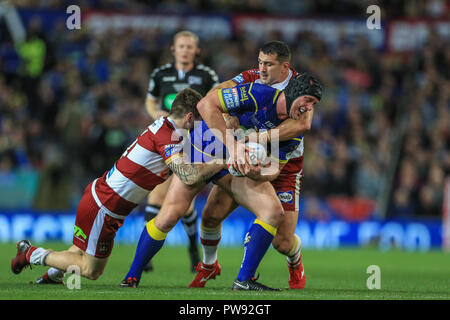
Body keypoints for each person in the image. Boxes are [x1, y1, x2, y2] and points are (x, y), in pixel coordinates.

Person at [119, 72, 322, 291]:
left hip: (233, 166)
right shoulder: (258, 93)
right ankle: (132, 277)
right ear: (294, 93)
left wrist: (253, 171)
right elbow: (207, 103)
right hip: (206, 146)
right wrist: (233, 144)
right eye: (308, 100)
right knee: (169, 216)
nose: (309, 108)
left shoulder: (292, 133)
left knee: (273, 211)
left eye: (314, 104)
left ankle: (243, 280)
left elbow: (273, 171)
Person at [10, 88, 225, 283]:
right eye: (199, 120)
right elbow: (187, 176)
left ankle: (51, 276)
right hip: (104, 205)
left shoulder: (167, 129)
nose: (200, 125)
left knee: (80, 249)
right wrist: (222, 162)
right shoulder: (168, 136)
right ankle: (30, 253)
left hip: (102, 200)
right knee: (91, 270)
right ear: (189, 117)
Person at [190, 41, 312, 289]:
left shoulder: (301, 86)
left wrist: (261, 138)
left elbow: (301, 125)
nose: (262, 69)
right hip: (248, 154)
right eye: (260, 62)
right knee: (211, 214)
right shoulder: (250, 79)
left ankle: (295, 261)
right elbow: (213, 97)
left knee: (283, 243)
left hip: (285, 160)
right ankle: (210, 265)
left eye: (268, 64)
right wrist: (227, 115)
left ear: (285, 66)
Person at [144, 30, 219, 272]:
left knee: (182, 198)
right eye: (181, 46)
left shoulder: (207, 75)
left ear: (196, 51)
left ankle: (191, 247)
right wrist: (155, 113)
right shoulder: (160, 74)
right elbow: (150, 100)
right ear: (173, 49)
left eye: (189, 47)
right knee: (155, 196)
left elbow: (216, 103)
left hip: (194, 139)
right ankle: (147, 255)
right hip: (166, 136)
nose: (185, 50)